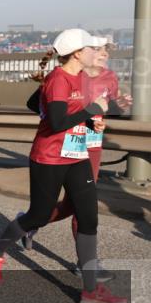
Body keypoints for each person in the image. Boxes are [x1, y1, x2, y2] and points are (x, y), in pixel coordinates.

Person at [0, 29, 126, 303]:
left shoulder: (81, 77)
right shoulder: (58, 79)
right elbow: (58, 122)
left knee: (88, 217)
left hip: (76, 154)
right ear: (78, 53)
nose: (98, 53)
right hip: (48, 158)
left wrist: (89, 122)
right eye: (92, 49)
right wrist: (90, 109)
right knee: (38, 215)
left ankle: (91, 291)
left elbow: (40, 105)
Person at [18, 42, 132, 271]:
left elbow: (105, 109)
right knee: (81, 206)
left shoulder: (109, 77)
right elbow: (35, 104)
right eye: (98, 50)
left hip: (91, 145)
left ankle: (33, 224)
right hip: (64, 145)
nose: (104, 54)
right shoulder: (65, 77)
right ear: (82, 53)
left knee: (79, 205)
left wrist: (116, 108)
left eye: (105, 51)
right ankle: (84, 262)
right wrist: (58, 121)